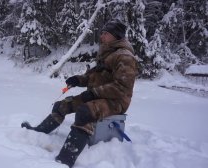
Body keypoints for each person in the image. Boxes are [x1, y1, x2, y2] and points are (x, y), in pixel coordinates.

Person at [21, 20, 138, 168]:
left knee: (85, 112)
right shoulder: (106, 52)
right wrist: (78, 79)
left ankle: (65, 159)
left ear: (116, 36)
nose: (102, 36)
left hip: (116, 102)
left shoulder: (125, 57)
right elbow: (93, 77)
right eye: (102, 33)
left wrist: (93, 93)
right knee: (61, 106)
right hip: (97, 96)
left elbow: (122, 87)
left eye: (106, 34)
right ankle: (39, 132)